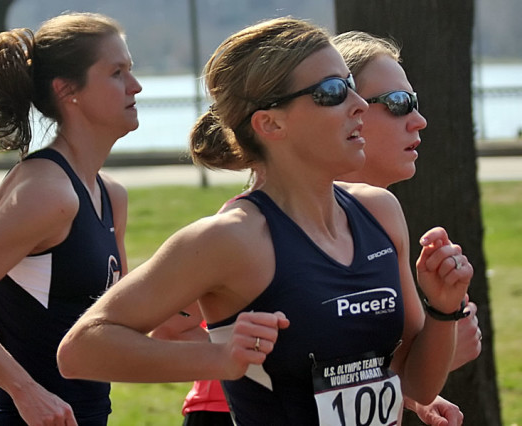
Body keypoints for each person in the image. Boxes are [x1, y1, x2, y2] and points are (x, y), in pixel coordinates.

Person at [57, 17, 473, 425]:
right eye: (333, 91)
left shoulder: (380, 212)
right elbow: (80, 350)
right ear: (270, 123)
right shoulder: (234, 237)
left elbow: (416, 384)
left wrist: (444, 307)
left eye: (350, 85)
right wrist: (217, 357)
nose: (359, 104)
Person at [0, 12, 141, 425]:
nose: (136, 85)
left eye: (131, 69)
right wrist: (25, 391)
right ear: (67, 90)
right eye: (117, 72)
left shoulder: (111, 195)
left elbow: (120, 321)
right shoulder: (47, 193)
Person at [334, 30, 483, 424]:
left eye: (414, 103)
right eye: (399, 104)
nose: (419, 120)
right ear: (341, 108)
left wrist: (443, 315)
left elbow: (401, 376)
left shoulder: (381, 214)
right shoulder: (260, 222)